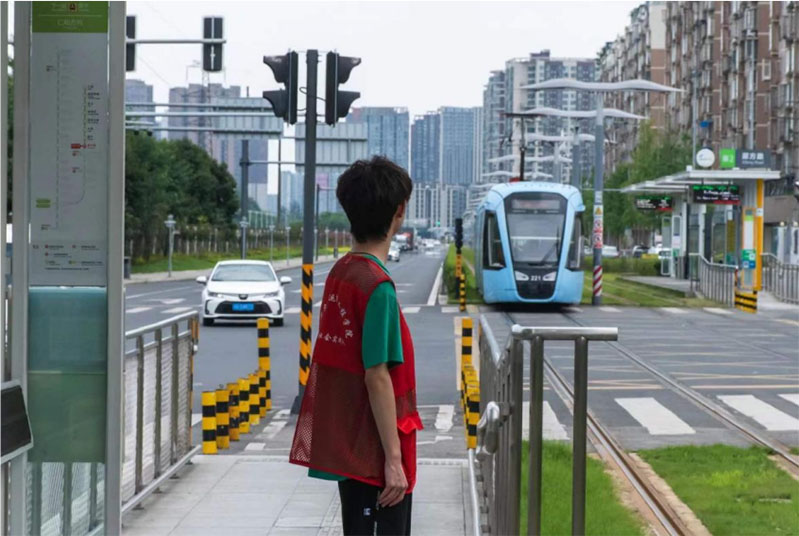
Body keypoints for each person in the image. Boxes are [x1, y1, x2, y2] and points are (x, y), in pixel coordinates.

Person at [290, 156, 422, 536]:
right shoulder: (377, 287)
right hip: (376, 455)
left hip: (350, 447)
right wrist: (393, 461)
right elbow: (376, 375)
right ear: (399, 212)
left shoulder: (342, 272)